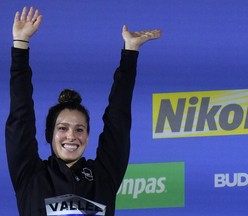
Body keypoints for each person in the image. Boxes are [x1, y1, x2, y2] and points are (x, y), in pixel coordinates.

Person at [5, 6, 161, 216]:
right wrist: (20, 44)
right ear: (49, 134)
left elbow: (118, 121)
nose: (71, 135)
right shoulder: (30, 174)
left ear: (87, 135)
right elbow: (20, 116)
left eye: (80, 129)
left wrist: (130, 52)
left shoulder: (103, 175)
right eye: (62, 128)